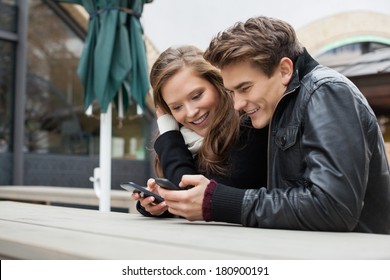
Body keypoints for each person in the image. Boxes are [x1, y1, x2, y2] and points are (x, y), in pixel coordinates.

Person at [156, 16, 390, 234]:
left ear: (285, 70)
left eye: (245, 88)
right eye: (232, 92)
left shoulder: (326, 91)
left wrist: (218, 202)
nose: (236, 104)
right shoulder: (282, 108)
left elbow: (333, 207)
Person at [133, 45, 268, 217]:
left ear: (217, 83)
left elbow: (193, 198)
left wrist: (169, 136)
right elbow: (193, 203)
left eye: (197, 96)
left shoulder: (249, 128)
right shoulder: (187, 141)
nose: (191, 112)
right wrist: (158, 203)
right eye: (177, 107)